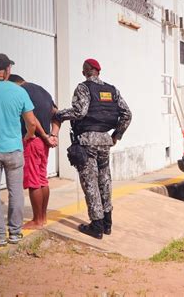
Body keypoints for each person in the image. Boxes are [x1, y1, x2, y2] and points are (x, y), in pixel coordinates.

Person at [54, 58, 132, 239]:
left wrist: (59, 114)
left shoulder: (83, 87)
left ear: (86, 71)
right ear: (98, 71)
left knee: (90, 182)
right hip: (105, 141)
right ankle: (107, 223)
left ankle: (96, 226)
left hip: (88, 140)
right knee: (104, 181)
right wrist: (116, 135)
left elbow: (79, 112)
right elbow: (127, 114)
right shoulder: (112, 90)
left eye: (83, 70)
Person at [0, 54, 37, 247]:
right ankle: (15, 233)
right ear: (7, 70)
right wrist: (27, 136)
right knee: (15, 190)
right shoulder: (18, 91)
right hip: (13, 149)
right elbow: (31, 122)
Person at [8, 74, 61, 229]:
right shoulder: (42, 91)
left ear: (13, 84)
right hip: (43, 144)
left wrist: (44, 136)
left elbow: (32, 119)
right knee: (42, 179)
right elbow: (58, 114)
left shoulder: (20, 91)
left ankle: (37, 220)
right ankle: (42, 218)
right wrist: (53, 135)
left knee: (33, 181)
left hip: (33, 140)